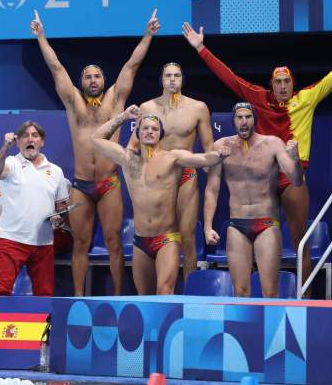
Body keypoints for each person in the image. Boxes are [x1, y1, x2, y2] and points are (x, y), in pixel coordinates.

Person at [183, 18, 332, 289]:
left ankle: (303, 299)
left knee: (300, 242)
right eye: (278, 82)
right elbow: (229, 78)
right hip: (263, 177)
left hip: (290, 175)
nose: (282, 86)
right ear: (271, 84)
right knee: (255, 236)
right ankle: (248, 294)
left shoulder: (306, 98)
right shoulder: (258, 98)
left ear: (292, 83)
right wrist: (201, 49)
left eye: (286, 81)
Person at [31, 8, 160, 296]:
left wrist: (148, 35)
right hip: (81, 185)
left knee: (114, 242)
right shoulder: (73, 102)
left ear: (104, 80)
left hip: (108, 183)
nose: (92, 80)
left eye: (97, 76)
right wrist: (41, 37)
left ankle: (115, 297)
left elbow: (131, 65)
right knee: (80, 244)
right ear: (82, 81)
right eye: (87, 76)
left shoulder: (115, 100)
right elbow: (56, 68)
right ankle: (78, 298)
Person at [92, 105, 229, 295]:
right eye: (145, 128)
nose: (149, 132)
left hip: (167, 239)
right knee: (145, 298)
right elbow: (96, 138)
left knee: (165, 292)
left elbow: (205, 158)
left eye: (154, 129)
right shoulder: (127, 159)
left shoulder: (172, 158)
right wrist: (124, 117)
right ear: (137, 133)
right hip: (140, 241)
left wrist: (219, 155)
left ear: (160, 135)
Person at [204, 102, 303, 297]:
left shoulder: (273, 144)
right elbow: (211, 190)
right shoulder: (221, 147)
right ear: (233, 121)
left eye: (247, 117)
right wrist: (207, 226)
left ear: (254, 120)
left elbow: (296, 180)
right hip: (236, 225)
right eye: (239, 117)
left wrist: (296, 160)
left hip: (266, 223)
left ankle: (270, 328)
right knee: (240, 291)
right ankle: (242, 329)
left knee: (269, 292)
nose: (243, 122)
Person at [127, 62, 214, 280]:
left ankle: (190, 294)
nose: (172, 79)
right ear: (162, 79)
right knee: (159, 235)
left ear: (182, 79)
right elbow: (131, 147)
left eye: (176, 75)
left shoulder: (198, 108)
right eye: (168, 75)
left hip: (185, 175)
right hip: (157, 176)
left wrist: (211, 163)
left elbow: (209, 148)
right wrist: (134, 173)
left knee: (188, 238)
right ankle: (160, 290)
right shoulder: (147, 108)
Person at [0, 121, 69, 297]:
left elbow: (62, 207)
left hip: (43, 243)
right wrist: (4, 147)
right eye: (25, 136)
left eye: (34, 135)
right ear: (18, 142)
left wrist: (59, 218)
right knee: (0, 292)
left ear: (42, 141)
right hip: (11, 240)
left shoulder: (56, 171)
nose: (30, 139)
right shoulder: (10, 163)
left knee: (45, 295)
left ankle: (44, 327)